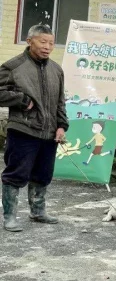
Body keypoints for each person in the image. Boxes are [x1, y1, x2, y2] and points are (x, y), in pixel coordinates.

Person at [0, 24, 68, 232]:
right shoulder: (13, 66)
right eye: (42, 41)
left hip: (49, 133)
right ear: (30, 41)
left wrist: (62, 125)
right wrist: (21, 100)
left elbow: (60, 101)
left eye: (51, 42)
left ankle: (37, 211)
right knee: (16, 173)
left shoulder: (56, 69)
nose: (47, 47)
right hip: (24, 130)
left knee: (43, 173)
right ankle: (9, 216)